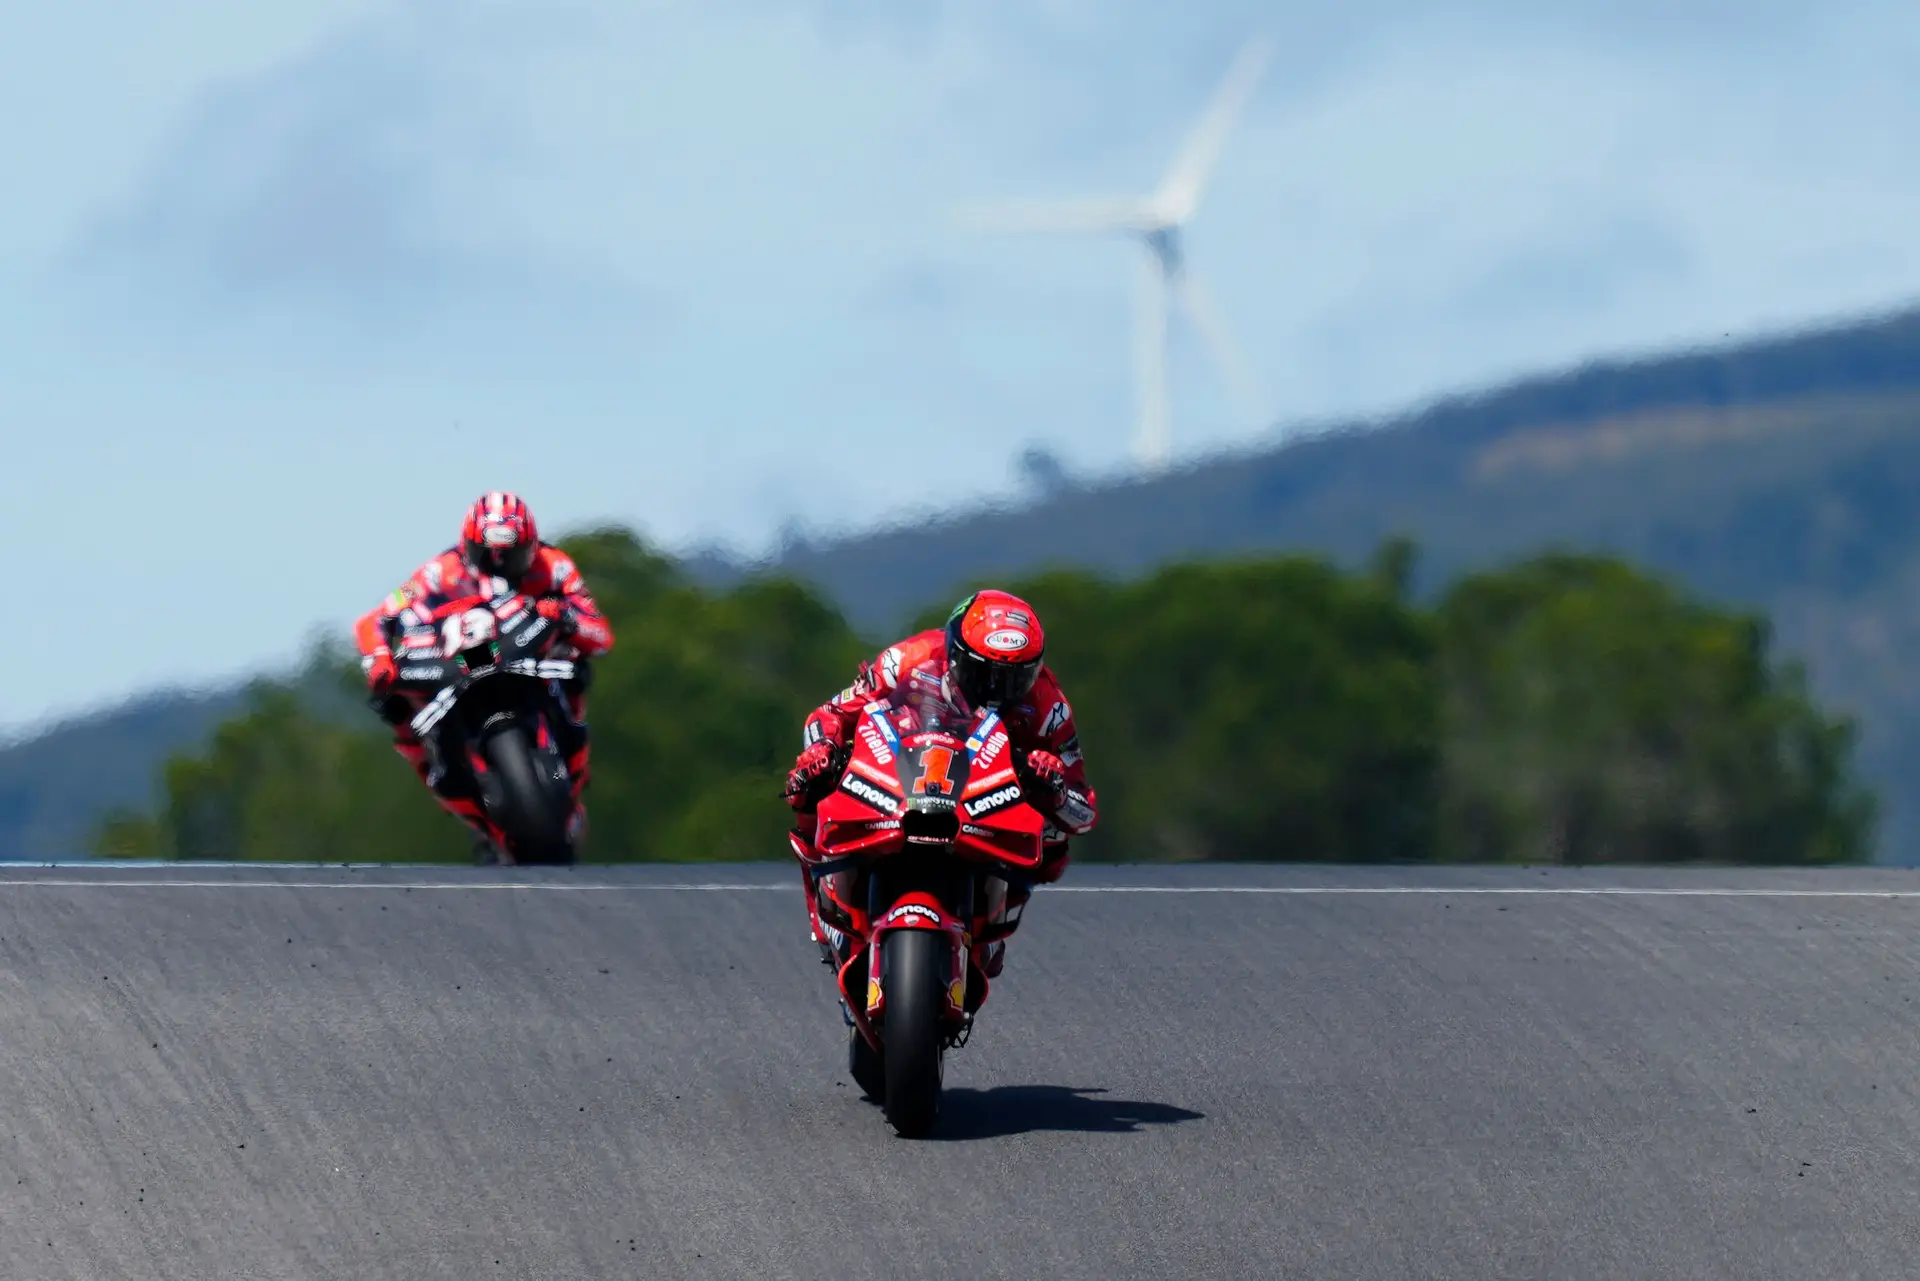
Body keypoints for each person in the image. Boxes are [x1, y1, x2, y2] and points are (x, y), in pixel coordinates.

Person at [784, 588, 1097, 983]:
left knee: (1055, 841)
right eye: (984, 675)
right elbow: (827, 714)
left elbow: (1083, 811)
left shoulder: (1050, 708)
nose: (998, 691)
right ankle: (829, 899)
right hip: (908, 774)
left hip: (990, 799)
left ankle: (991, 923)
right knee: (809, 785)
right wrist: (825, 747)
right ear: (954, 653)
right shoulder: (907, 659)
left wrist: (1051, 786)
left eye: (1014, 679)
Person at [353, 491, 615, 855]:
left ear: (531, 544)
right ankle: (464, 799)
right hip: (461, 663)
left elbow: (601, 635)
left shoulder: (555, 565)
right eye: (488, 554)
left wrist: (567, 618)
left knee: (578, 668)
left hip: (530, 657)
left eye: (512, 554)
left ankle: (572, 772)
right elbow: (376, 619)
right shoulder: (436, 573)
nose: (499, 563)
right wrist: (380, 659)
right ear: (467, 546)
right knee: (394, 707)